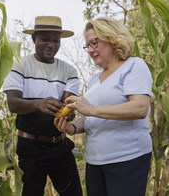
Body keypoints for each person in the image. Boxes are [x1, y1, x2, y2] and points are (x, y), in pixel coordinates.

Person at [55, 17, 153, 196]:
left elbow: (140, 108)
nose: (90, 50)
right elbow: (91, 118)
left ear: (113, 39)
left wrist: (92, 109)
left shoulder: (134, 66)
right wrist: (71, 127)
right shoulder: (94, 80)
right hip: (95, 162)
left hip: (127, 159)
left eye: (95, 43)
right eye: (87, 46)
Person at [3, 16, 83, 196]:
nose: (51, 45)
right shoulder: (19, 65)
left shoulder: (69, 70)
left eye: (56, 40)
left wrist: (68, 115)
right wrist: (39, 104)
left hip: (59, 144)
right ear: (34, 39)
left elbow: (68, 106)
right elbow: (13, 103)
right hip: (30, 146)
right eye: (45, 39)